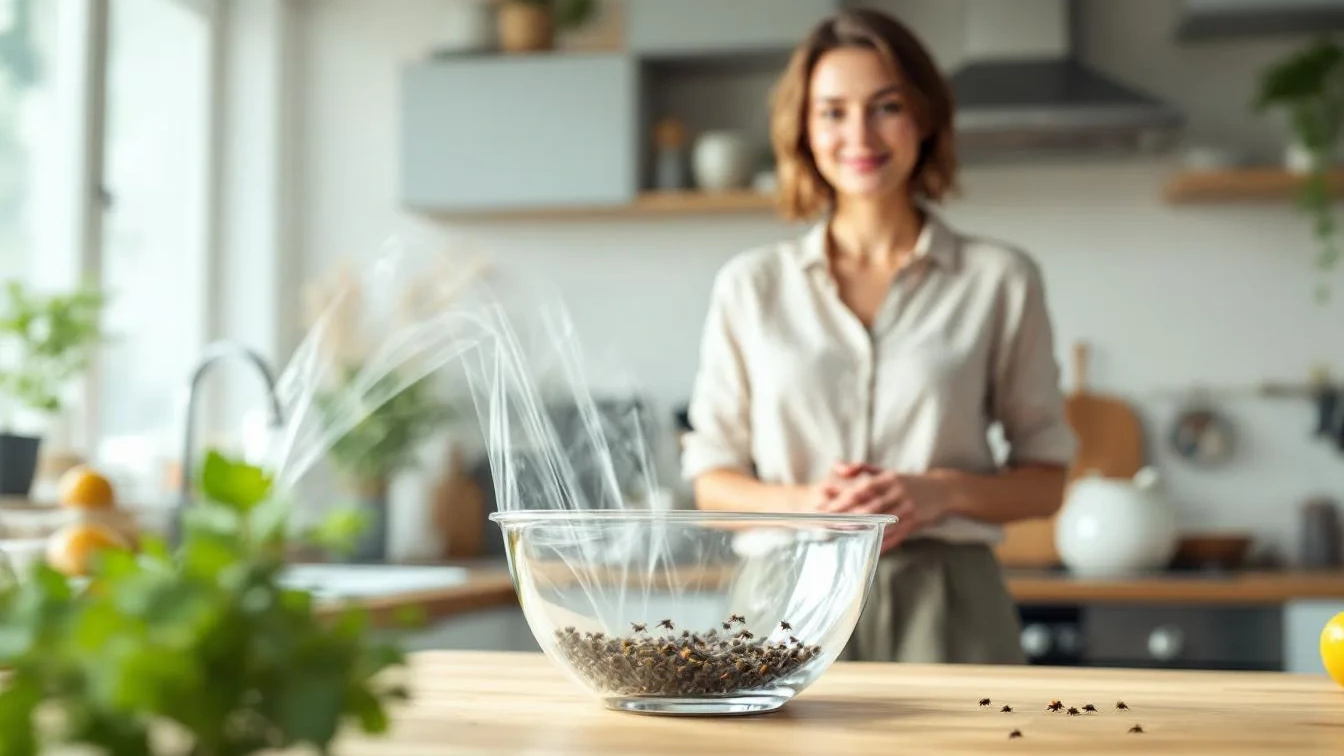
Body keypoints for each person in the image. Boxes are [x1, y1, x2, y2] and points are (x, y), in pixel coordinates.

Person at [679, 8, 1077, 665]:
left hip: (950, 602)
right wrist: (812, 505)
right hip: (784, 600)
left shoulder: (1000, 280)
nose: (858, 134)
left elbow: (1045, 482)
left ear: (923, 118)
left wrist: (937, 492)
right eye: (832, 111)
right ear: (804, 130)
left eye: (885, 106)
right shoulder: (751, 286)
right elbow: (712, 484)